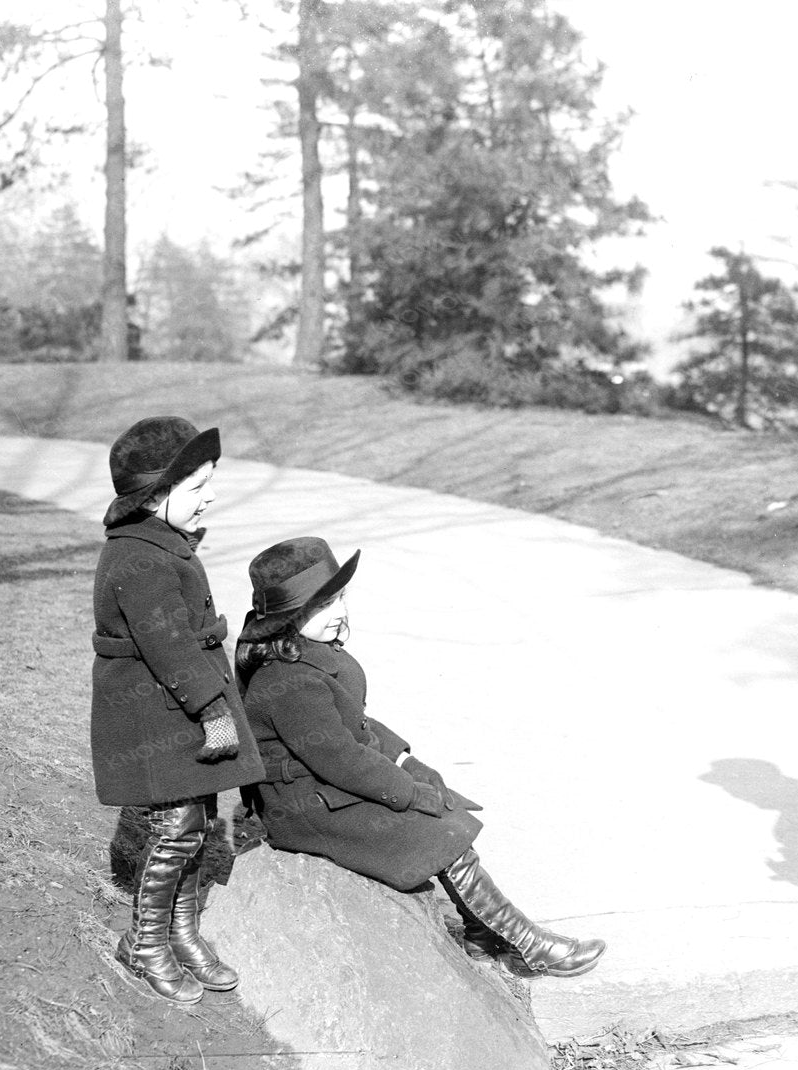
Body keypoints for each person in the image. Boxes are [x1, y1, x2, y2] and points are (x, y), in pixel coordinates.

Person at [235, 537, 605, 979]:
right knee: (436, 829)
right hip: (307, 805)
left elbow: (355, 725)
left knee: (443, 806)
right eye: (320, 607)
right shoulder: (289, 682)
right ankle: (523, 943)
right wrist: (407, 793)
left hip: (324, 785)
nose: (338, 612)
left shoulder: (312, 656)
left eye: (338, 598)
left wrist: (406, 761)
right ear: (287, 621)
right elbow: (342, 758)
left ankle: (484, 935)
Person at [91, 416, 264, 1007]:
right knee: (177, 828)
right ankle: (144, 942)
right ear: (153, 498)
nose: (209, 495)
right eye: (196, 486)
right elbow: (168, 645)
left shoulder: (161, 545)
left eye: (210, 481)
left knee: (200, 820)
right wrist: (215, 709)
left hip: (178, 706)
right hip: (159, 713)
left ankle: (181, 932)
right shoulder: (137, 559)